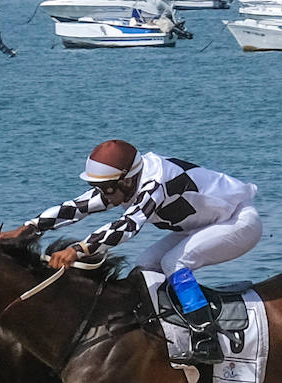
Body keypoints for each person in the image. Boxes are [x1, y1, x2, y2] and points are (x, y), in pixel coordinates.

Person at [25, 139, 261, 366]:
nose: (102, 194)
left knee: (174, 263)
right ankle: (164, 330)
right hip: (202, 225)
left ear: (127, 180)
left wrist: (79, 249)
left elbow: (127, 226)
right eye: (97, 187)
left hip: (238, 222)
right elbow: (79, 206)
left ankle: (206, 338)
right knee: (145, 266)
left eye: (106, 188)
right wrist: (30, 227)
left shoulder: (154, 183)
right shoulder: (125, 182)